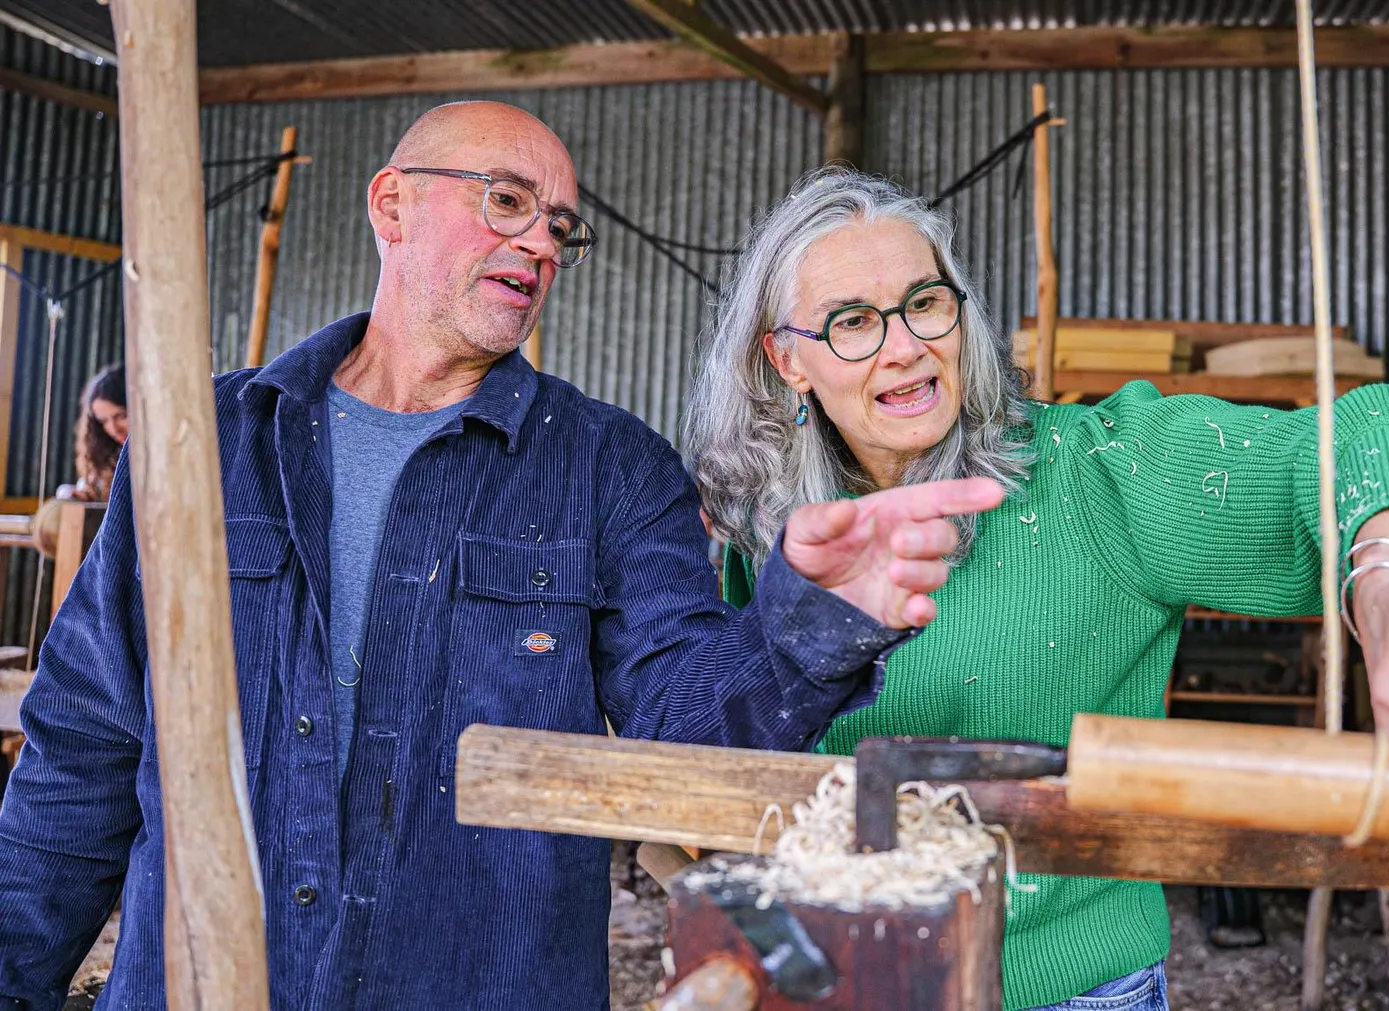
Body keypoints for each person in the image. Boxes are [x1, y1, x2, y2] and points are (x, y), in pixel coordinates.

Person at [0, 103, 1003, 1010]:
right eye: (507, 200)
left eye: (560, 227)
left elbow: (682, 740)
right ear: (392, 206)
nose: (540, 242)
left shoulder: (611, 469)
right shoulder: (206, 443)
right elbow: (84, 747)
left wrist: (806, 625)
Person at [681, 168, 1389, 1011]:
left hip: (1067, 987)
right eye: (851, 322)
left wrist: (1385, 588)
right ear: (787, 360)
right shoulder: (757, 531)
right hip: (828, 985)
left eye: (923, 302)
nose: (906, 345)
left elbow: (1366, 438)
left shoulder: (1096, 473)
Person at [58, 363, 128, 503]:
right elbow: (86, 488)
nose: (113, 428)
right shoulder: (107, 458)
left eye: (121, 416)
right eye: (103, 421)